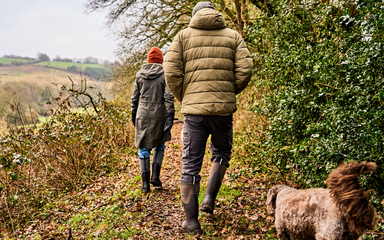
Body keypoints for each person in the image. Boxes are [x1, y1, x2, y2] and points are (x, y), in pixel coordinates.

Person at [163, 1, 253, 235]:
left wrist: (186, 96)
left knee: (190, 165)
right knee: (221, 154)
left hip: (194, 114)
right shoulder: (233, 36)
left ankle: (191, 222)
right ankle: (209, 200)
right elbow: (245, 69)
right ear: (215, 14)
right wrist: (228, 92)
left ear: (195, 16)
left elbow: (171, 71)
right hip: (223, 112)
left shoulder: (182, 37)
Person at [131, 47, 175, 193]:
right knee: (159, 144)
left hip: (142, 114)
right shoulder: (164, 75)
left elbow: (134, 98)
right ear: (161, 60)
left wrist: (133, 115)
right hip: (159, 114)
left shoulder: (139, 75)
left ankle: (145, 185)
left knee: (143, 148)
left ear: (149, 60)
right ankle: (155, 177)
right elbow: (168, 97)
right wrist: (170, 115)